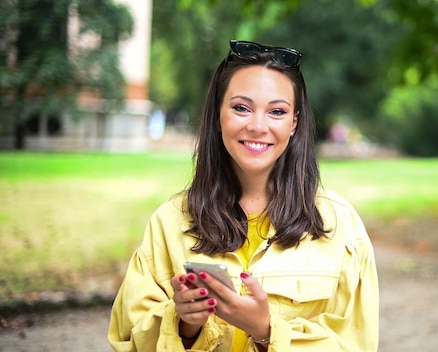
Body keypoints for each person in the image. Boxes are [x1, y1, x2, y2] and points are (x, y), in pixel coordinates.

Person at [108, 39, 379, 351]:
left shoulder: (341, 227)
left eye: (277, 111)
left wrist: (266, 332)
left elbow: (355, 344)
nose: (257, 126)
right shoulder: (169, 223)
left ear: (294, 123)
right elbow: (128, 339)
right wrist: (184, 325)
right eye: (241, 108)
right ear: (217, 115)